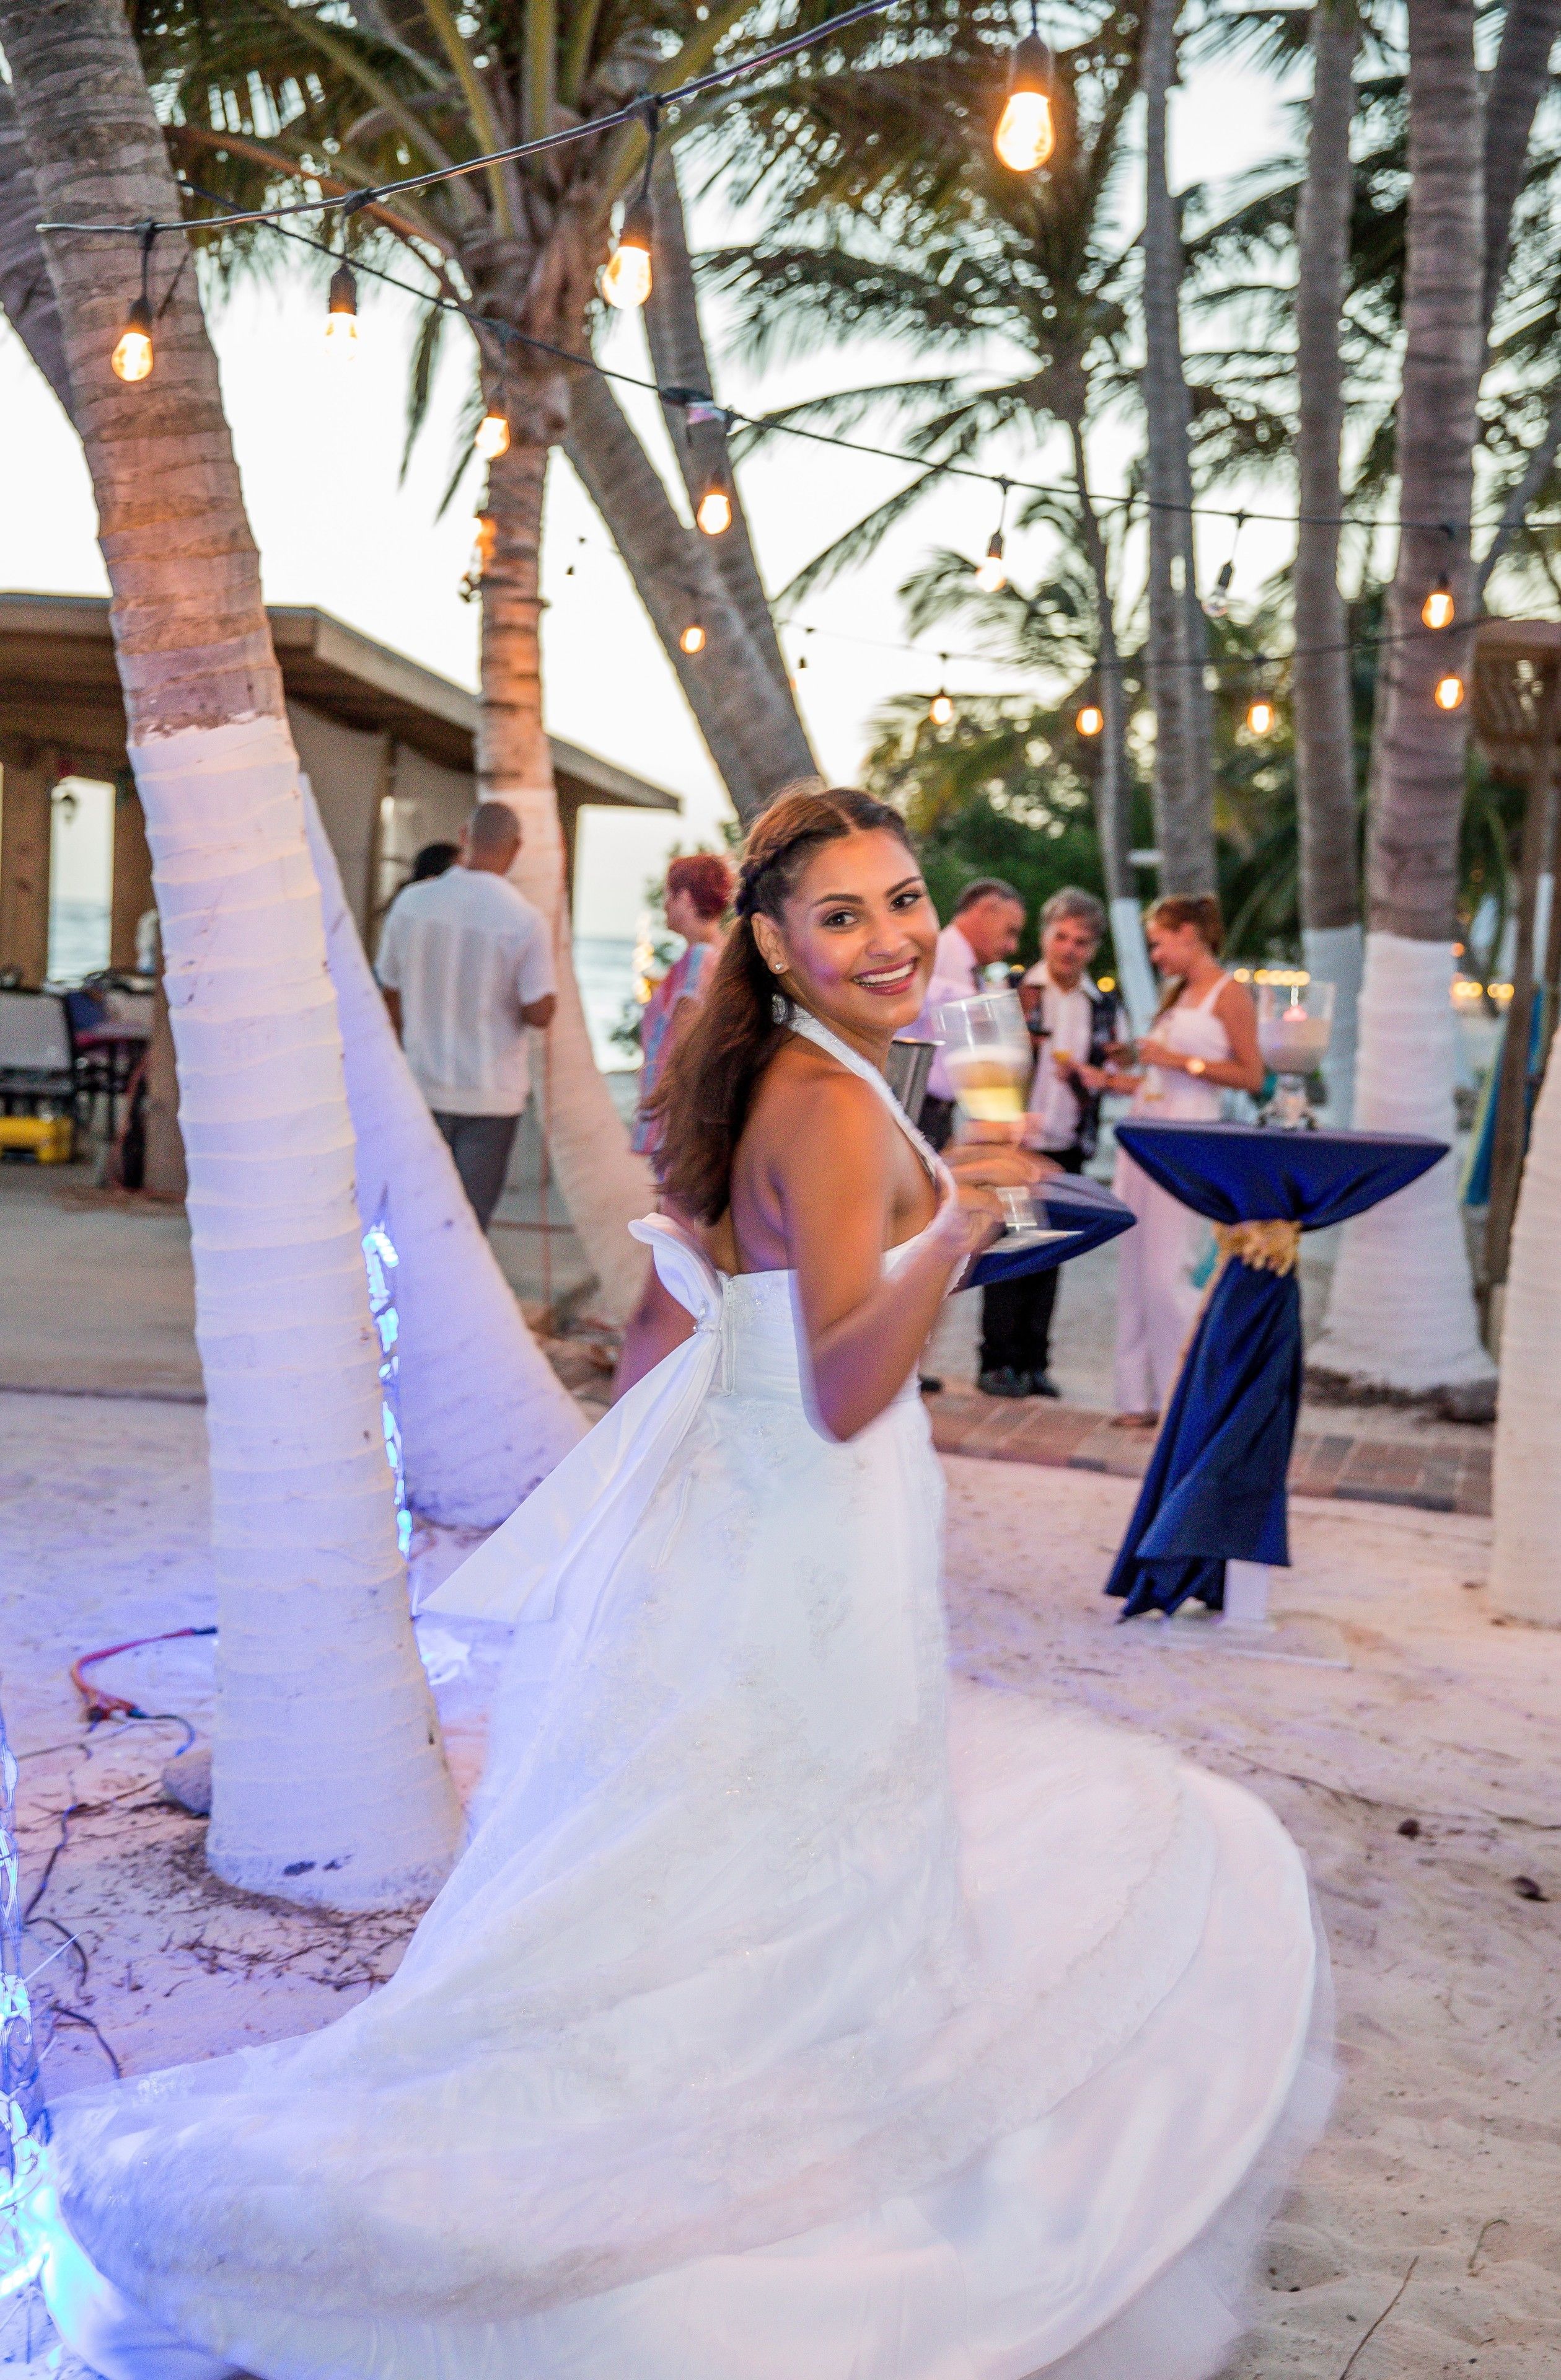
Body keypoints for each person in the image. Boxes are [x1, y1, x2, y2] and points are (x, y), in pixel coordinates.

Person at [29, 790, 1326, 2380]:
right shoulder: (837, 1102)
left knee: (736, 1830)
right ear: (773, 943)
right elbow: (850, 1377)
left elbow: (684, 1326)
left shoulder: (775, 1072)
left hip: (748, 1499)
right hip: (816, 1500)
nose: (893, 935)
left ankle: (783, 2093)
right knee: (843, 1824)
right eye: (840, 915)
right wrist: (966, 1221)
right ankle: (786, 2153)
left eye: (902, 898)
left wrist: (860, 1305)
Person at [1094, 894, 1265, 1426]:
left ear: (1188, 933)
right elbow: (1154, 1079)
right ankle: (1137, 1397)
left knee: (1170, 1271)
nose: (1155, 954)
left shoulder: (1227, 993)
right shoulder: (1177, 996)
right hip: (1146, 1134)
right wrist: (1109, 1080)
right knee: (1135, 1269)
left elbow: (1251, 1076)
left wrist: (1181, 1060)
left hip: (1189, 1138)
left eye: (1158, 941)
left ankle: (1186, 1399)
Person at [375, 801, 556, 1234]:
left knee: (412, 1216)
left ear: (463, 836)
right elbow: (540, 1012)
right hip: (490, 1097)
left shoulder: (412, 904)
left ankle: (406, 1300)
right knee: (467, 1229)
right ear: (515, 848)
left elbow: (389, 993)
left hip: (421, 1086)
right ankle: (452, 1301)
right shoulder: (524, 919)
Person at [978, 888, 1122, 1400]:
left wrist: (1098, 1075)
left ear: (1093, 948)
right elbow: (983, 1065)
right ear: (1045, 936)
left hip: (1068, 1145)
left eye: (1081, 942)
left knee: (1050, 1256)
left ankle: (1034, 1362)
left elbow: (1115, 1069)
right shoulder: (1014, 992)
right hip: (1014, 1145)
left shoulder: (1103, 1005)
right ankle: (996, 1363)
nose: (1069, 949)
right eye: (1061, 937)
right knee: (1007, 1250)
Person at [905, 874, 1026, 1150]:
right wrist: (984, 1006)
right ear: (985, 911)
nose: (1013, 947)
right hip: (915, 1106)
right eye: (1010, 931)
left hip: (938, 1110)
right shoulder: (934, 952)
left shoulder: (970, 968)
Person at [630, 851, 732, 1155]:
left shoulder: (700, 959)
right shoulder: (718, 954)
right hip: (691, 1123)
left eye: (669, 895)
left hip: (680, 1128)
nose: (664, 906)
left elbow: (688, 1048)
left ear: (686, 899)